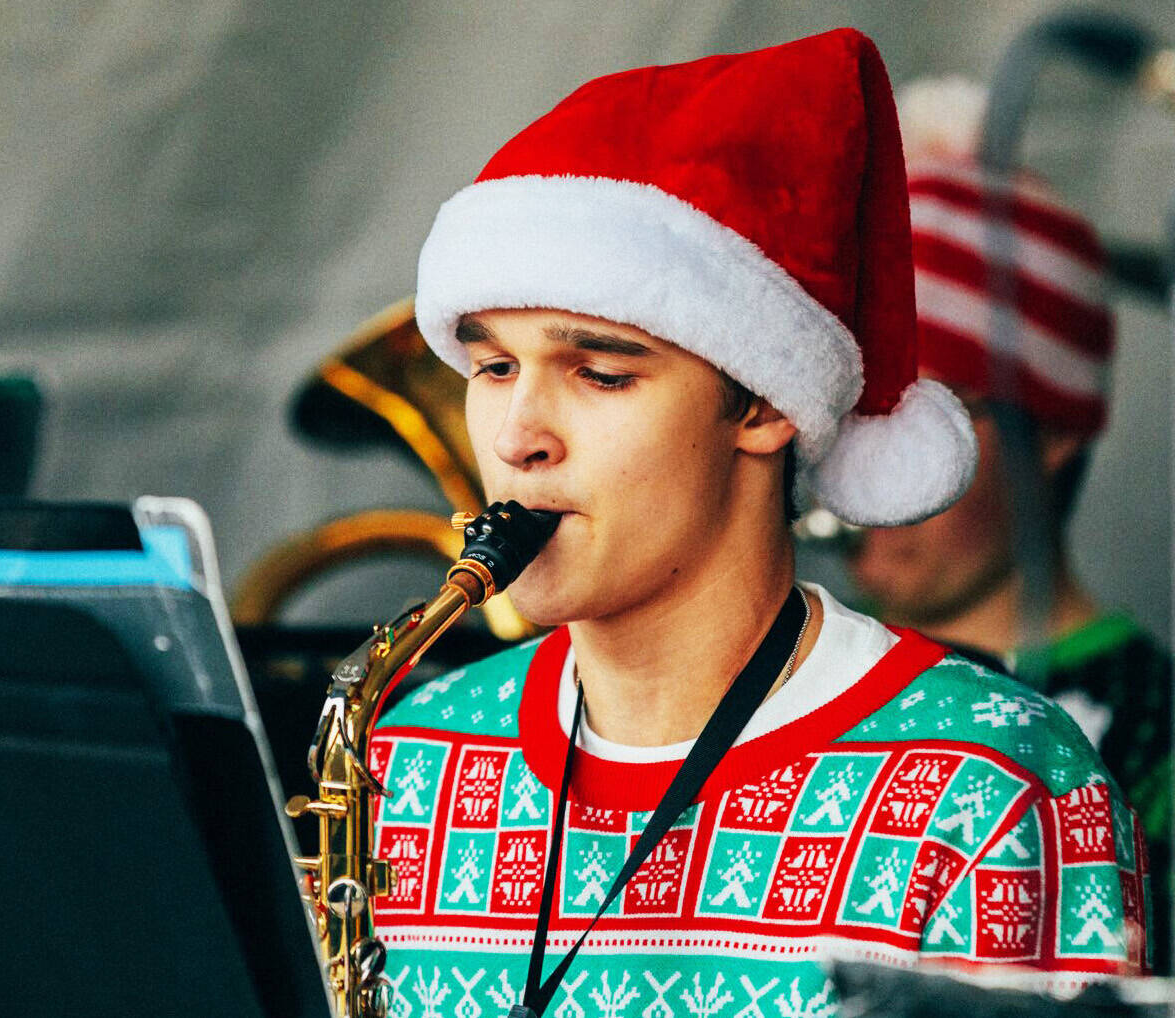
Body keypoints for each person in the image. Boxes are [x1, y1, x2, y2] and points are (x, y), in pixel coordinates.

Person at [369, 31, 1149, 1018]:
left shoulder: (990, 788)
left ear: (767, 402)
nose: (516, 437)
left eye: (600, 373)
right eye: (491, 367)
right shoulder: (405, 756)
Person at [846, 77, 1171, 969]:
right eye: (850, 411)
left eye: (930, 415)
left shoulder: (1159, 732)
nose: (864, 462)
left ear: (1053, 434)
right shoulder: (789, 660)